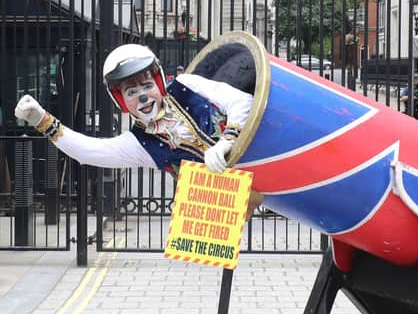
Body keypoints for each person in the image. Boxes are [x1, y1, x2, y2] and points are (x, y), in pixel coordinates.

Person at [14, 43, 257, 210]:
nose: (142, 97)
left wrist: (227, 141)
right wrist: (42, 120)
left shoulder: (187, 85)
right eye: (132, 91)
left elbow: (244, 101)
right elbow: (87, 151)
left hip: (268, 159)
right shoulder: (141, 144)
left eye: (146, 86)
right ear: (121, 101)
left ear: (159, 82)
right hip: (225, 203)